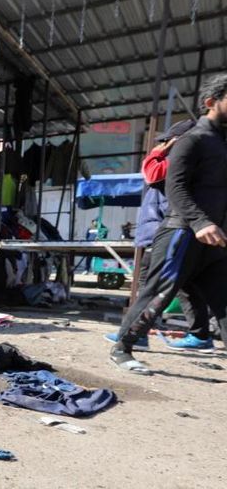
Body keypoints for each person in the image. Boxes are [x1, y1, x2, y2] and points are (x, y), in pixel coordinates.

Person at [111, 74, 227, 374]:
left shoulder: (222, 144)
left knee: (223, 300)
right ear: (211, 102)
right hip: (183, 234)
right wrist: (200, 222)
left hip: (214, 243)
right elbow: (175, 187)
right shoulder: (193, 139)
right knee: (159, 292)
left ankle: (201, 336)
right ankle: (122, 348)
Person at [104, 119, 205, 351]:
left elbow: (152, 174)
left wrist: (155, 153)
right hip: (167, 233)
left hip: (163, 234)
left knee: (150, 284)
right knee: (186, 286)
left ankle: (136, 334)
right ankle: (200, 334)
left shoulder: (176, 159)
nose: (163, 145)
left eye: (167, 141)